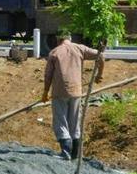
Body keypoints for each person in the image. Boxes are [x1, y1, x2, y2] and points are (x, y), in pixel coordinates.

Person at [41, 30, 104, 160]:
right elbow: (101, 56)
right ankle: (75, 154)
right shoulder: (80, 48)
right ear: (69, 38)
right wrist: (99, 75)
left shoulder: (54, 52)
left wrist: (45, 93)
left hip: (59, 92)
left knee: (60, 121)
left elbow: (48, 76)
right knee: (75, 122)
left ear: (58, 40)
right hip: (76, 92)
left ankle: (66, 152)